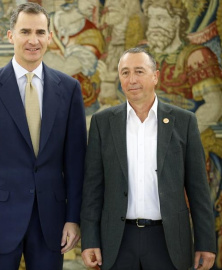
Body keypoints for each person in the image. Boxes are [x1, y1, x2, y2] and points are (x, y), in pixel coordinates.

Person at [0, 3, 86, 270]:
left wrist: (73, 219)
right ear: (10, 36)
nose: (33, 40)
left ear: (49, 37)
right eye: (25, 31)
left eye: (40, 32)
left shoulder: (69, 89)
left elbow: (75, 162)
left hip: (50, 222)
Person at [80, 47, 216, 270]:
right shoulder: (102, 122)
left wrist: (206, 243)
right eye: (125, 72)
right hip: (117, 241)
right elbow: (92, 188)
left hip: (168, 240)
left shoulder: (184, 122)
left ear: (156, 76)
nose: (131, 79)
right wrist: (90, 241)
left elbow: (198, 188)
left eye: (139, 71)